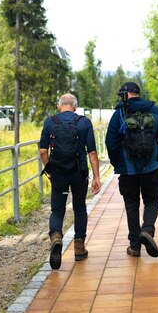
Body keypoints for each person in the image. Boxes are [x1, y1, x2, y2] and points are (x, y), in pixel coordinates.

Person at [105, 82, 158, 258]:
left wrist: (116, 163)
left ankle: (135, 247)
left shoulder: (119, 113)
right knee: (151, 200)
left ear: (126, 95)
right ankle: (148, 230)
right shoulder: (155, 110)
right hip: (152, 167)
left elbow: (110, 142)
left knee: (131, 205)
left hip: (128, 170)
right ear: (138, 94)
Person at [39, 93, 101, 270]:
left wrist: (49, 168)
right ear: (75, 107)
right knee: (80, 207)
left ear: (59, 106)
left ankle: (56, 237)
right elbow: (92, 153)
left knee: (57, 210)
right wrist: (96, 177)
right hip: (79, 173)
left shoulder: (50, 122)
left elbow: (43, 151)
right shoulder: (84, 122)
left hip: (58, 172)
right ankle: (79, 248)